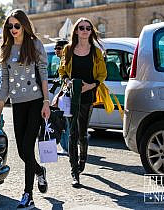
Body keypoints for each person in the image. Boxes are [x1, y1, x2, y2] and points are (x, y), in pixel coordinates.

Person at [0, 9, 50, 209]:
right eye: (9, 26)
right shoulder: (6, 49)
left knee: (28, 147)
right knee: (21, 152)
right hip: (17, 104)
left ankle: (28, 194)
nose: (13, 29)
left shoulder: (35, 44)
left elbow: (43, 74)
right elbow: (4, 81)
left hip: (35, 102)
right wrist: (0, 109)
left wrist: (46, 101)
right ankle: (39, 171)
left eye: (16, 25)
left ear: (24, 26)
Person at [58, 17, 107, 187]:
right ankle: (74, 171)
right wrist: (67, 81)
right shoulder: (68, 50)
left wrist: (91, 86)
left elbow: (102, 75)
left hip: (88, 96)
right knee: (72, 133)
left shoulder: (96, 52)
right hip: (72, 96)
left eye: (88, 28)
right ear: (76, 31)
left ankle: (83, 159)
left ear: (91, 31)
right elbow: (62, 71)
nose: (85, 30)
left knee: (83, 133)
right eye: (81, 28)